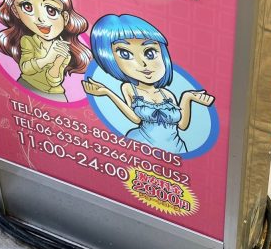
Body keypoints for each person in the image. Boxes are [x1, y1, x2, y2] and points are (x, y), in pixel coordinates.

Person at [83, 13, 214, 152]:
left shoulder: (166, 94)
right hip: (142, 144)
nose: (142, 64)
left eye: (150, 52)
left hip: (176, 148)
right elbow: (135, 119)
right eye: (125, 54)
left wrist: (188, 97)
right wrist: (107, 92)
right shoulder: (129, 88)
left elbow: (182, 125)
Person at [0, 0, 91, 101]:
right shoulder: (28, 41)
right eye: (27, 6)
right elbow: (25, 68)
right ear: (15, 11)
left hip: (56, 95)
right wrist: (47, 58)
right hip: (26, 87)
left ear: (65, 17)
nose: (40, 18)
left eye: (51, 10)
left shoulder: (64, 49)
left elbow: (54, 80)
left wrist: (58, 61)